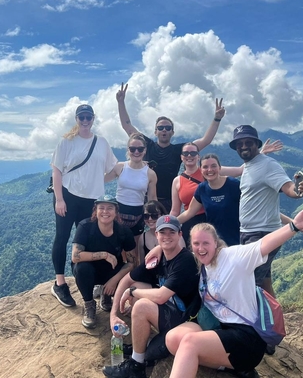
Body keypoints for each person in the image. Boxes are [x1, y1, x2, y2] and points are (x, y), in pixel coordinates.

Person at [165, 209, 303, 378]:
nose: (201, 248)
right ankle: (232, 369)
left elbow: (264, 244)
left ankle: (241, 366)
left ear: (216, 243)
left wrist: (293, 226)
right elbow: (178, 253)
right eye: (196, 244)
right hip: (222, 330)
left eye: (206, 243)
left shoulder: (234, 257)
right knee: (172, 339)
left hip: (246, 338)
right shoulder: (202, 263)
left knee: (189, 343)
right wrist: (159, 250)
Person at [103, 216, 200, 378]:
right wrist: (113, 315)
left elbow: (161, 296)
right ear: (156, 235)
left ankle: (137, 365)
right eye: (163, 232)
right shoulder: (159, 258)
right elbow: (126, 279)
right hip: (172, 310)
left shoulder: (185, 261)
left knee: (140, 304)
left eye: (172, 232)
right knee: (138, 287)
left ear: (180, 235)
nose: (167, 236)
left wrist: (132, 292)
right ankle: (139, 347)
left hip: (186, 321)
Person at [230, 124, 303, 298]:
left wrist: (299, 190)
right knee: (265, 279)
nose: (243, 146)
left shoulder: (268, 165)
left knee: (250, 282)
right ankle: (276, 320)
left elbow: (288, 187)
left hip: (262, 234)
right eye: (240, 144)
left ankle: (258, 324)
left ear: (256, 144)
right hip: (248, 232)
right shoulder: (249, 166)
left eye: (248, 142)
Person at [116, 83, 225, 212]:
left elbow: (206, 140)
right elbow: (127, 126)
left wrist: (217, 119)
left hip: (169, 201)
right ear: (155, 132)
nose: (164, 130)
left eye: (168, 128)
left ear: (172, 132)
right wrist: (121, 102)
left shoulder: (179, 150)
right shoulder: (146, 146)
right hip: (144, 198)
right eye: (160, 128)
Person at [50, 104, 118, 308]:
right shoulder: (66, 142)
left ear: (93, 118)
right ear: (76, 119)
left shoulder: (102, 143)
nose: (85, 120)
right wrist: (59, 199)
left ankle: (97, 284)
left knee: (90, 242)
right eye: (82, 117)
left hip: (92, 200)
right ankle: (60, 284)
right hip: (68, 196)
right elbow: (56, 172)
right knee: (62, 238)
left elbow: (112, 170)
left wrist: (96, 182)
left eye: (88, 117)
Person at [171, 141, 282, 246]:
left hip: (237, 238)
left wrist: (261, 153)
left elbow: (254, 202)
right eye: (205, 167)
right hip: (213, 241)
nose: (210, 170)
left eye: (213, 166)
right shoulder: (201, 188)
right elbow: (189, 212)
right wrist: (168, 223)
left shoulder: (233, 184)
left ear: (220, 168)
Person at [72, 195, 136, 329]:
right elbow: (76, 256)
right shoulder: (86, 226)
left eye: (110, 208)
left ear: (116, 212)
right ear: (95, 210)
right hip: (90, 270)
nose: (105, 212)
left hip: (111, 271)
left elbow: (131, 262)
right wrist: (104, 255)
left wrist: (115, 279)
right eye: (101, 208)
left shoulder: (123, 231)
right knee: (82, 268)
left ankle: (106, 294)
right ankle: (89, 304)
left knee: (124, 275)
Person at [105, 133, 158, 260]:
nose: (136, 151)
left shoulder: (150, 174)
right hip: (118, 211)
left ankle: (133, 276)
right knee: (118, 248)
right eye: (132, 148)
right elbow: (102, 179)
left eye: (140, 149)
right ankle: (120, 276)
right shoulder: (120, 167)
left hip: (137, 213)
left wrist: (155, 219)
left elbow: (152, 198)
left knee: (134, 250)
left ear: (145, 150)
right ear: (128, 150)